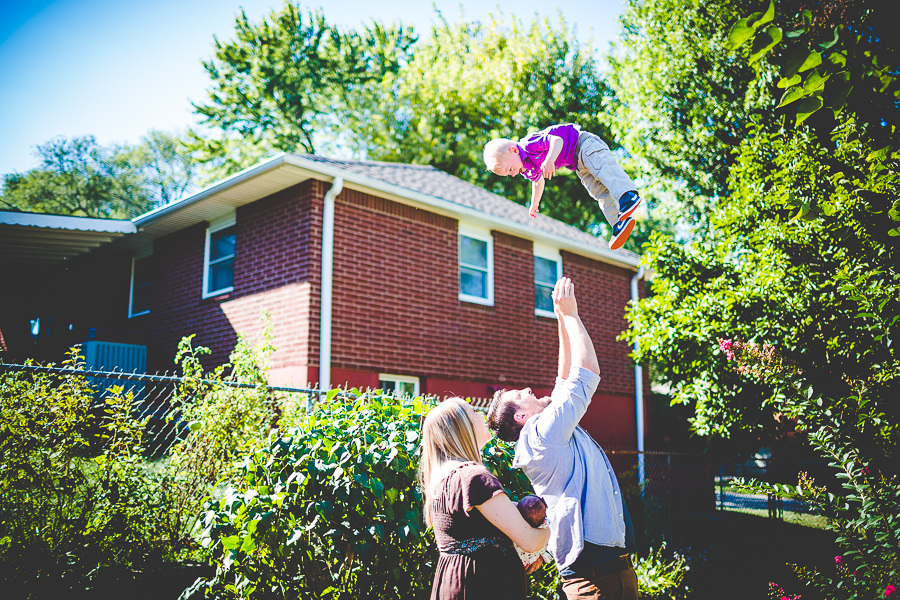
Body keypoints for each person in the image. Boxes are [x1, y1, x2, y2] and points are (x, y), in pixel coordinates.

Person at [485, 277, 639, 600]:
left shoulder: (543, 431)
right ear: (520, 417)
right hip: (593, 578)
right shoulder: (540, 435)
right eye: (520, 394)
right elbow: (587, 372)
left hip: (614, 570)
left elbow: (565, 377)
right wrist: (573, 315)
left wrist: (559, 318)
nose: (529, 389)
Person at [418, 397, 550, 600]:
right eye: (474, 412)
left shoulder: (443, 480)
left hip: (456, 583)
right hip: (483, 585)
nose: (483, 415)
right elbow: (530, 541)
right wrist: (555, 527)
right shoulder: (474, 478)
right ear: (463, 427)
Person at [482, 124, 643, 250]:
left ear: (514, 150)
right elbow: (538, 182)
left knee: (604, 169)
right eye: (508, 174)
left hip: (583, 144)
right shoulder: (527, 169)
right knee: (598, 192)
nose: (513, 174)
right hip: (577, 162)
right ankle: (618, 223)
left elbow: (556, 141)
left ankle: (627, 194)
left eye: (510, 169)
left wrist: (549, 160)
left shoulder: (529, 144)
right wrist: (534, 203)